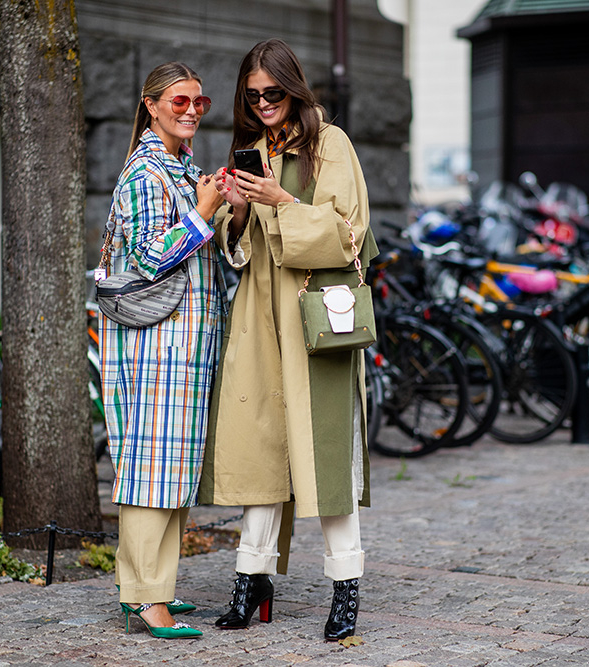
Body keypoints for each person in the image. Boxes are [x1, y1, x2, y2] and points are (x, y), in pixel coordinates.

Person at [199, 38, 375, 641]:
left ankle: (345, 588)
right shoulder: (254, 149)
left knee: (323, 457)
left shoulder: (331, 143)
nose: (264, 104)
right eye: (253, 96)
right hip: (259, 321)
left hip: (314, 323)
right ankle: (252, 582)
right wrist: (241, 210)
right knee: (260, 452)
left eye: (273, 93)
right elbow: (236, 247)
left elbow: (350, 232)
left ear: (294, 89)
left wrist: (282, 200)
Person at [99, 61, 225, 639]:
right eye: (179, 102)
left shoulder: (179, 166)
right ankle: (147, 598)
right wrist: (201, 214)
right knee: (151, 469)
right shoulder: (145, 172)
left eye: (199, 102)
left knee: (170, 466)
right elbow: (151, 257)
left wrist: (224, 210)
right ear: (150, 105)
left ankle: (152, 590)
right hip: (155, 346)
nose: (192, 110)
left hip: (181, 345)